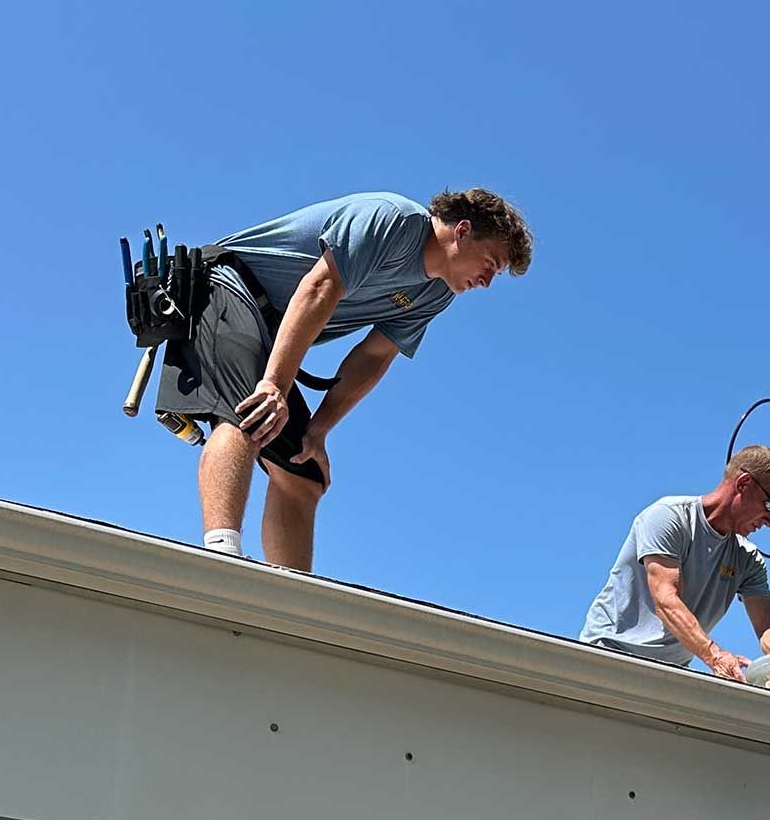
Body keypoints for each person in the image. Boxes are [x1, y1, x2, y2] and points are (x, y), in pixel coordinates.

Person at [158, 188, 533, 574]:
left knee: (305, 473)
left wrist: (318, 430)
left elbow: (374, 355)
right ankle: (220, 558)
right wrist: (273, 384)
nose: (487, 282)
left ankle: (292, 603)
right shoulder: (393, 222)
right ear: (463, 231)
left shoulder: (436, 293)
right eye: (490, 263)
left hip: (271, 328)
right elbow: (320, 287)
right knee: (254, 416)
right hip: (227, 285)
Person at [580, 449, 770, 680]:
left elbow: (768, 623)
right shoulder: (669, 518)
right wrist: (715, 655)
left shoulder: (747, 558)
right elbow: (666, 600)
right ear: (743, 483)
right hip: (608, 655)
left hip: (668, 673)